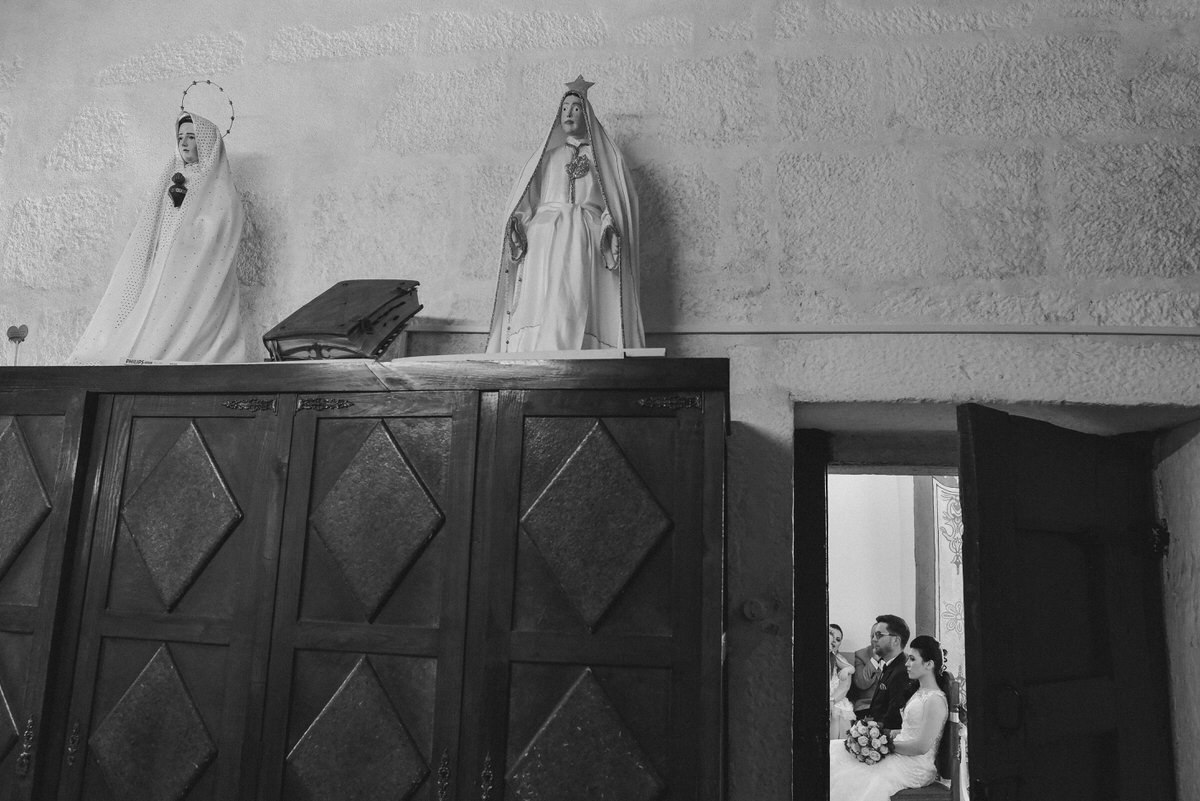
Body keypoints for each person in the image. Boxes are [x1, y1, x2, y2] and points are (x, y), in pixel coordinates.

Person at [70, 111, 245, 364]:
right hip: (165, 270)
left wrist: (191, 237)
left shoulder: (221, 191)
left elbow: (221, 233)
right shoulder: (171, 182)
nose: (184, 143)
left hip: (199, 273)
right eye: (180, 137)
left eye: (192, 137)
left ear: (207, 142)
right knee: (157, 319)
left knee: (195, 321)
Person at [486, 76, 645, 353]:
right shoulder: (546, 158)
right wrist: (518, 224)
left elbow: (614, 202)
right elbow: (527, 200)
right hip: (545, 236)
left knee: (576, 290)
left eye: (576, 108)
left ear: (587, 115)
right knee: (545, 295)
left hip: (586, 236)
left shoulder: (604, 160)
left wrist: (608, 225)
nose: (569, 113)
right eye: (564, 109)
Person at [829, 634, 951, 801]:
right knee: (836, 750)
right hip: (901, 753)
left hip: (914, 765)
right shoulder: (919, 693)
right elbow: (912, 730)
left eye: (912, 659)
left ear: (929, 664)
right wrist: (880, 735)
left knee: (856, 775)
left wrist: (884, 744)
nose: (907, 664)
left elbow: (921, 746)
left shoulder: (935, 700)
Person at [865, 614, 916, 731]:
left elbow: (894, 718)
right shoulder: (891, 665)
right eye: (874, 635)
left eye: (879, 635)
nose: (874, 639)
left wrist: (872, 733)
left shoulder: (903, 671)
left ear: (896, 640)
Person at [829, 624, 856, 738]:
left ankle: (832, 744)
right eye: (831, 635)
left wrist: (846, 670)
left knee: (835, 714)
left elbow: (851, 668)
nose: (833, 641)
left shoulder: (836, 657)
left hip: (835, 697)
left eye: (838, 639)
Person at [848, 634, 883, 720]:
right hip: (867, 706)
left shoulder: (902, 657)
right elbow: (861, 683)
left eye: (879, 636)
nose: (874, 639)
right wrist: (874, 661)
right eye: (872, 636)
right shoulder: (861, 655)